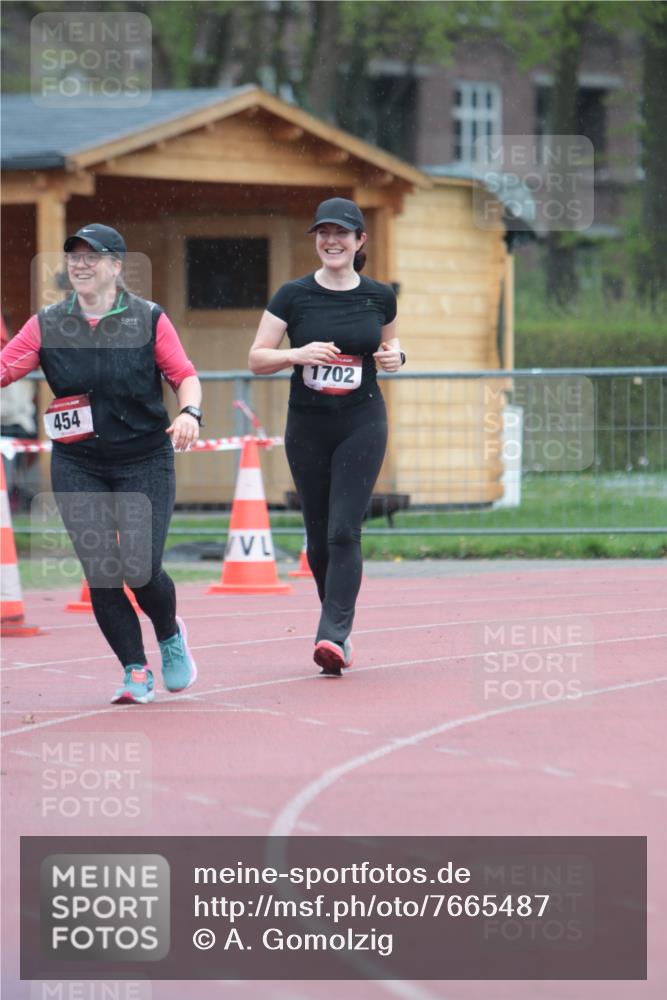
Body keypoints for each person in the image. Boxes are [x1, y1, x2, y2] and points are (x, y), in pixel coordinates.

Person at [0, 224, 203, 705]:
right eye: (74, 256)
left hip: (144, 459)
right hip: (78, 462)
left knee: (140, 568)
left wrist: (190, 413)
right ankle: (135, 669)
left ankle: (169, 634)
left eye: (92, 256)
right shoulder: (47, 323)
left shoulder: (148, 318)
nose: (81, 264)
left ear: (116, 266)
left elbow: (184, 375)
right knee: (102, 570)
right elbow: (5, 368)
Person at [249, 197, 405, 676]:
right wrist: (296, 355)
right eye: (323, 233)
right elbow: (256, 358)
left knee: (343, 530)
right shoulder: (292, 296)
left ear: (360, 241)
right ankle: (336, 627)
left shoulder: (380, 296)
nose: (331, 241)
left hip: (362, 421)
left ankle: (332, 634)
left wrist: (397, 357)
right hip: (308, 425)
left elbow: (391, 344)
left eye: (341, 233)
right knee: (318, 538)